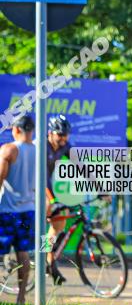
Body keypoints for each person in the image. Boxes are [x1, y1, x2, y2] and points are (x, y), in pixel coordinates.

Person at [0, 115, 36, 305]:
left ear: (15, 130)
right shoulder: (39, 152)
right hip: (29, 211)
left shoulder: (9, 150)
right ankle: (21, 297)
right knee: (23, 252)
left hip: (7, 211)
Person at [45, 114, 72, 284]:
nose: (63, 138)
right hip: (33, 186)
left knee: (60, 222)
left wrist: (97, 187)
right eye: (60, 135)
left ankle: (48, 260)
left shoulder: (64, 146)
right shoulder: (41, 146)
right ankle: (44, 259)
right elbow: (41, 177)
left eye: (66, 134)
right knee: (48, 207)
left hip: (46, 187)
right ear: (50, 133)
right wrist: (53, 199)